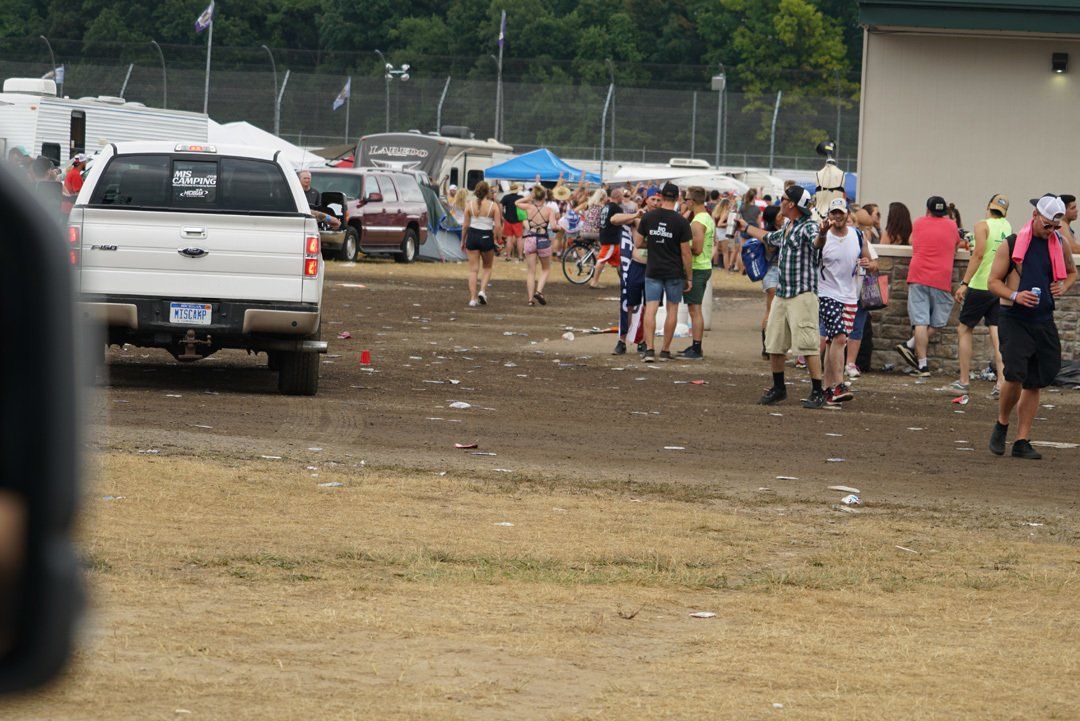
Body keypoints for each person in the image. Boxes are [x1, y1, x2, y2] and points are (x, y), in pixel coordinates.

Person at [988, 194, 1077, 459]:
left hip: (1043, 319)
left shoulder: (1058, 243)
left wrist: (1063, 285)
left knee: (1035, 381)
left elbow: (1072, 272)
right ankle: (1002, 423)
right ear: (1035, 216)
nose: (1051, 231)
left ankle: (1021, 440)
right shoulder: (1013, 243)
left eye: (1055, 227)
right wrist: (1015, 295)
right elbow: (993, 282)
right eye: (1047, 225)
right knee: (1014, 375)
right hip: (1014, 317)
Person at [737, 185, 826, 408]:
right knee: (774, 342)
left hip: (802, 295)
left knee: (807, 344)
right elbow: (770, 238)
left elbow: (817, 243)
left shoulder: (809, 227)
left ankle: (818, 391)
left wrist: (823, 234)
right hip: (783, 293)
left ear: (792, 204)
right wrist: (746, 227)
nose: (780, 202)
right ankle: (779, 388)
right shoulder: (789, 225)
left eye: (784, 198)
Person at [895, 196, 964, 376]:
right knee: (938, 321)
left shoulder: (918, 223)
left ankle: (920, 362)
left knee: (920, 321)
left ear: (927, 209)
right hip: (941, 277)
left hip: (918, 275)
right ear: (943, 212)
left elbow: (910, 241)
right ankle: (913, 351)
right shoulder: (951, 225)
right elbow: (958, 244)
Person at [952, 194, 1012, 395]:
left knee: (964, 329)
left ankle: (964, 380)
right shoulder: (1007, 227)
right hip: (998, 285)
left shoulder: (981, 225)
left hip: (980, 285)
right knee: (996, 333)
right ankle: (1001, 381)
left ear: (988, 206)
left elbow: (978, 254)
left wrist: (964, 283)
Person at [815, 198, 873, 403]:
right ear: (829, 215)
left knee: (834, 342)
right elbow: (816, 245)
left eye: (841, 213)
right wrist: (822, 233)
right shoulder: (824, 236)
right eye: (834, 213)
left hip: (849, 296)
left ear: (847, 214)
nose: (837, 217)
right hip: (827, 294)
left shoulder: (857, 236)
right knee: (839, 338)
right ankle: (839, 386)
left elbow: (873, 263)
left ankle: (826, 389)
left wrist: (869, 263)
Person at [634, 182, 692, 362]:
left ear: (662, 196)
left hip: (653, 269)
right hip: (674, 271)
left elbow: (637, 243)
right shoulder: (681, 221)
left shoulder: (649, 217)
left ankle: (649, 349)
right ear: (677, 198)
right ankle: (665, 350)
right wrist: (689, 277)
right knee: (672, 309)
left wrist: (653, 243)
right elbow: (685, 252)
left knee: (650, 309)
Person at [613, 191, 657, 355]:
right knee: (628, 304)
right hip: (636, 266)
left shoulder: (663, 220)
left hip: (654, 267)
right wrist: (635, 215)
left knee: (649, 307)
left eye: (659, 200)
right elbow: (614, 219)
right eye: (653, 199)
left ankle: (644, 341)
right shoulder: (638, 218)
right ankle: (622, 340)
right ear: (646, 200)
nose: (656, 203)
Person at [680, 186, 715, 359]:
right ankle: (695, 345)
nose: (685, 202)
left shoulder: (697, 222)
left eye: (686, 199)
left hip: (698, 267)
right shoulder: (706, 217)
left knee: (694, 310)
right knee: (695, 309)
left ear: (692, 201)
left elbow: (697, 249)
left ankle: (696, 347)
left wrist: (682, 247)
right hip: (704, 266)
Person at [460, 180, 502, 307]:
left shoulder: (469, 204)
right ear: (487, 191)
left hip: (472, 236)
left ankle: (472, 299)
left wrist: (463, 241)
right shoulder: (493, 206)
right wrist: (497, 240)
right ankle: (482, 291)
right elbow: (498, 226)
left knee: (473, 270)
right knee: (487, 267)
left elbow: (465, 225)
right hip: (486, 236)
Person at [516, 184, 557, 306]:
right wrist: (558, 228)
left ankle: (530, 300)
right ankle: (539, 291)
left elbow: (517, 203)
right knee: (545, 269)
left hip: (530, 239)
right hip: (543, 239)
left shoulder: (528, 207)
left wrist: (529, 198)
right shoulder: (550, 210)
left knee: (531, 271)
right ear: (545, 197)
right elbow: (554, 227)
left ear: (535, 196)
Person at [758, 202, 783, 359]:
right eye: (780, 215)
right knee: (774, 312)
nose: (783, 216)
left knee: (770, 310)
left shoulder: (764, 233)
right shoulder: (773, 235)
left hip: (769, 274)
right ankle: (769, 346)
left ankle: (767, 347)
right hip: (776, 273)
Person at [590, 188, 625, 289]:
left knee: (619, 262)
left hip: (606, 236)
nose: (622, 198)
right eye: (622, 196)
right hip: (611, 239)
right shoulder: (617, 209)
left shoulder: (606, 206)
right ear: (618, 197)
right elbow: (621, 221)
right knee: (602, 259)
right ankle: (594, 282)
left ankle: (625, 282)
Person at [736, 188, 761, 273]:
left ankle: (742, 268)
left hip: (744, 230)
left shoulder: (742, 207)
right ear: (754, 197)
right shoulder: (757, 209)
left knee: (741, 250)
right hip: (754, 230)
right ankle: (750, 269)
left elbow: (738, 218)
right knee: (753, 251)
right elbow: (759, 222)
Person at [500, 182, 524, 261]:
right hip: (518, 221)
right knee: (519, 239)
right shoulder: (521, 197)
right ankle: (520, 257)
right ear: (517, 190)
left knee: (509, 239)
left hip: (508, 220)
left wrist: (502, 215)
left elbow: (500, 206)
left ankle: (508, 257)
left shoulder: (506, 197)